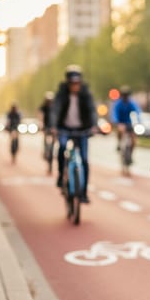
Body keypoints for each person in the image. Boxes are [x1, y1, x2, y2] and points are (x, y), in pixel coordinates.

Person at [50, 65, 98, 203]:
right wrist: (53, 126)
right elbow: (55, 110)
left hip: (82, 130)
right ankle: (60, 176)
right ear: (67, 82)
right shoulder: (61, 93)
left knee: (84, 159)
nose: (75, 86)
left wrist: (94, 126)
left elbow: (92, 110)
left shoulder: (86, 94)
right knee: (62, 147)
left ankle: (83, 193)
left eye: (77, 83)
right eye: (72, 83)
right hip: (64, 128)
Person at [111, 85, 141, 151]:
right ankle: (119, 143)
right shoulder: (118, 104)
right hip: (121, 122)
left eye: (127, 95)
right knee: (120, 130)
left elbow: (137, 111)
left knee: (134, 139)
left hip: (129, 122)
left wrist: (138, 121)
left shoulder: (131, 103)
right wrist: (116, 121)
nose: (125, 97)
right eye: (124, 95)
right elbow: (114, 113)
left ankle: (131, 153)